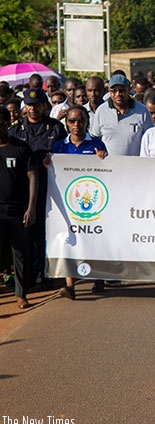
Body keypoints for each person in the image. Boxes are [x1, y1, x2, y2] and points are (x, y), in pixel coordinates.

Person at [10, 88, 67, 290]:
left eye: (36, 105)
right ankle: (31, 273)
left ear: (44, 106)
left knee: (47, 233)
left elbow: (65, 154)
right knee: (27, 234)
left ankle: (47, 272)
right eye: (29, 105)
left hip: (51, 190)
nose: (32, 109)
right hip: (23, 192)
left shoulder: (56, 128)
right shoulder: (15, 130)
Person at [49, 106, 108, 300]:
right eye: (72, 121)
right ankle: (70, 285)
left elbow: (107, 171)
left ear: (86, 122)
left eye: (80, 120)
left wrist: (103, 159)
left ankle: (98, 277)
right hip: (68, 203)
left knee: (94, 239)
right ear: (66, 123)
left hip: (94, 201)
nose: (76, 124)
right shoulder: (59, 146)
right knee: (69, 240)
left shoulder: (97, 144)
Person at [0, 107, 37, 309]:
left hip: (18, 210)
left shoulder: (21, 148)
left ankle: (21, 294)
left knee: (21, 253)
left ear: (8, 124)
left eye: (1, 124)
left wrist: (30, 208)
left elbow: (33, 177)